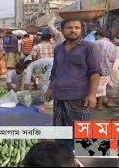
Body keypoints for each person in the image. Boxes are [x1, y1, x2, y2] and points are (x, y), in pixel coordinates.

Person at [45, 19, 102, 149]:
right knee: (60, 132)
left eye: (77, 27)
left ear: (81, 29)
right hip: (59, 97)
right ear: (62, 30)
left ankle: (80, 160)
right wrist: (50, 89)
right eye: (69, 27)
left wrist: (92, 94)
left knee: (81, 133)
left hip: (79, 98)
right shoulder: (58, 48)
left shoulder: (90, 48)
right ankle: (65, 157)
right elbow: (55, 71)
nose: (73, 30)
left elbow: (95, 72)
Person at [94, 30, 117, 109]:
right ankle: (99, 105)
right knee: (102, 88)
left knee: (94, 87)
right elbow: (113, 60)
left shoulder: (96, 43)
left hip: (96, 70)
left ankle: (93, 104)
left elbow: (92, 57)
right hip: (107, 71)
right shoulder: (113, 46)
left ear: (98, 35)